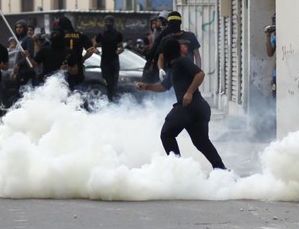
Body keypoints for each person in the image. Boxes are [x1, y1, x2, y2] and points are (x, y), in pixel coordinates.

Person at [135, 38, 226, 171]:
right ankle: (221, 170)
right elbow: (164, 87)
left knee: (167, 134)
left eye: (163, 52)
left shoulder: (182, 62)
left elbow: (200, 74)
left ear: (167, 52)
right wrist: (146, 86)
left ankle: (178, 169)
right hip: (197, 109)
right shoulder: (173, 67)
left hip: (189, 108)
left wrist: (189, 92)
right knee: (201, 142)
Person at [57, 15, 95, 89]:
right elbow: (91, 50)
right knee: (78, 91)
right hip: (78, 67)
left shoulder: (60, 36)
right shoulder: (81, 35)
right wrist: (83, 59)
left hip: (63, 67)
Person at [93, 15, 124, 101]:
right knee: (107, 81)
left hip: (114, 60)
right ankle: (108, 96)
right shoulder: (100, 34)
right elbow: (94, 46)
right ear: (104, 23)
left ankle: (113, 98)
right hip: (105, 60)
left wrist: (119, 51)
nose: (108, 23)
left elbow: (121, 47)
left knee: (114, 82)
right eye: (107, 21)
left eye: (110, 21)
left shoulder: (118, 34)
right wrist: (96, 51)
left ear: (113, 23)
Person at [10, 19, 35, 87]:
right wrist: (13, 71)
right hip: (19, 71)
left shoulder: (28, 38)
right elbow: (17, 56)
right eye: (17, 27)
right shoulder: (19, 40)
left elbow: (30, 54)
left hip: (26, 70)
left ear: (25, 28)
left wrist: (19, 64)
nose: (18, 29)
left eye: (20, 27)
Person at [265, 13, 276, 98]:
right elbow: (269, 53)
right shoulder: (275, 38)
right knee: (274, 96)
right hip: (276, 74)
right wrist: (268, 36)